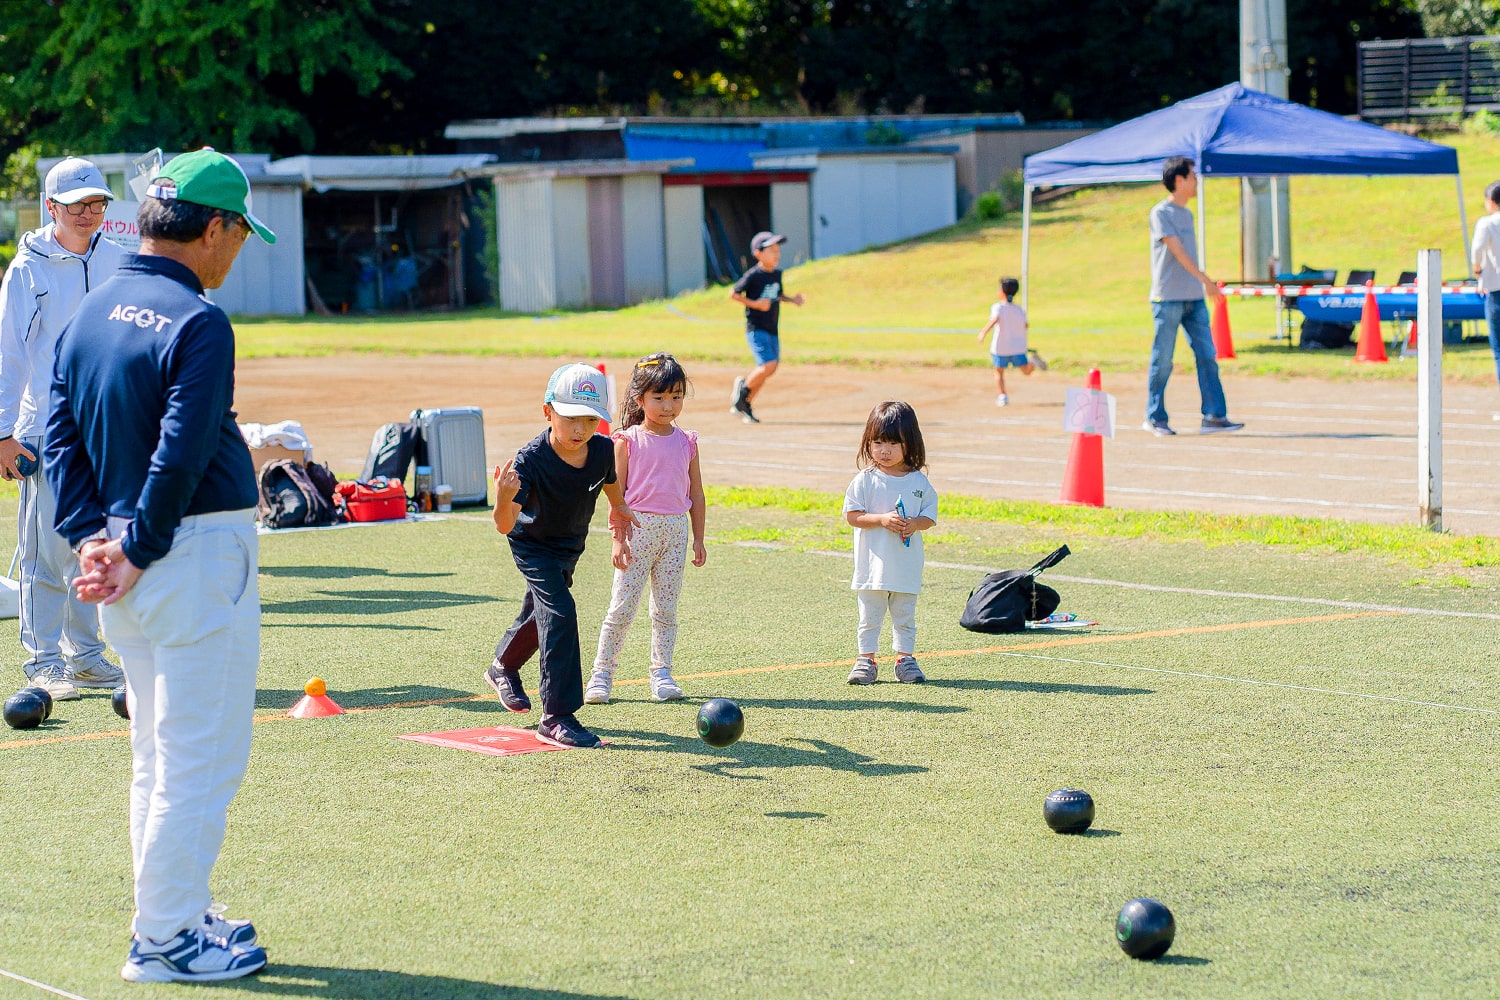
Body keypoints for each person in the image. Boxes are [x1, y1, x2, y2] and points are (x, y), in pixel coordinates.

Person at [46, 148, 274, 982]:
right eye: (241, 233)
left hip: (118, 556)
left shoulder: (94, 307)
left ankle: (171, 909)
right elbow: (180, 452)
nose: (239, 250)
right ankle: (166, 939)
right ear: (212, 227)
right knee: (200, 758)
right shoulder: (200, 320)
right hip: (188, 552)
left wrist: (91, 541)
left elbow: (59, 436)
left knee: (157, 749)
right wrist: (138, 549)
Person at [0, 157, 128, 701]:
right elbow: (8, 354)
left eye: (98, 203)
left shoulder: (121, 261)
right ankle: (44, 660)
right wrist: (3, 433)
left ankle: (88, 655)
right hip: (44, 430)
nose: (90, 213)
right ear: (51, 207)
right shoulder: (26, 270)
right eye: (77, 205)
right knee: (44, 549)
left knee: (91, 544)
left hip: (104, 427)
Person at [485, 363, 638, 748]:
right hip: (533, 545)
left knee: (542, 614)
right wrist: (504, 497)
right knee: (561, 612)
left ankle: (502, 665)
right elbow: (504, 525)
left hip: (570, 546)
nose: (579, 429)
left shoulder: (602, 450)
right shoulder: (529, 462)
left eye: (590, 419)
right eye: (570, 418)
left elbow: (610, 484)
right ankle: (556, 716)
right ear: (547, 411)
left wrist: (619, 512)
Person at [586, 353, 707, 705]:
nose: (669, 405)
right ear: (640, 399)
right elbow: (616, 495)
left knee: (666, 609)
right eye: (660, 397)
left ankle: (661, 672)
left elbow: (696, 493)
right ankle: (602, 673)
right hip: (638, 531)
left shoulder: (687, 441)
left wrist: (699, 537)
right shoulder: (627, 441)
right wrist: (617, 539)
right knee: (622, 607)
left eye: (676, 396)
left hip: (675, 532)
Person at [1145, 157, 1244, 437]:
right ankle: (1155, 417)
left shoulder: (1187, 214)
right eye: (1193, 177)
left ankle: (1213, 415)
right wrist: (1206, 280)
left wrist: (1200, 286)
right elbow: (1177, 252)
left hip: (1193, 299)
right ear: (1179, 180)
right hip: (1167, 299)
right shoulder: (1160, 213)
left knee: (1207, 356)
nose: (1196, 182)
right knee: (1163, 360)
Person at [842, 401, 938, 685]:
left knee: (904, 616)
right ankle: (866, 660)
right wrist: (882, 519)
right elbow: (852, 515)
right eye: (878, 442)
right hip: (872, 567)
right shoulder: (865, 480)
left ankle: (905, 659)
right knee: (869, 617)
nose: (884, 450)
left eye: (893, 443)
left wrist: (914, 524)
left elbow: (929, 516)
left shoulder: (918, 481)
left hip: (905, 566)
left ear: (910, 443)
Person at [729, 231, 804, 424]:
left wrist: (792, 300)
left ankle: (744, 403)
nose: (776, 254)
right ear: (758, 253)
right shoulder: (753, 275)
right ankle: (743, 390)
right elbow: (734, 293)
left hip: (772, 327)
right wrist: (755, 304)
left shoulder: (777, 274)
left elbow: (777, 295)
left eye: (777, 250)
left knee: (771, 368)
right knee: (767, 365)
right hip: (756, 328)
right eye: (771, 250)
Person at [976, 276, 1047, 407]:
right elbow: (1025, 325)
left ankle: (1002, 395)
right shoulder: (1019, 309)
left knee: (998, 371)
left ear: (1002, 291)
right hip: (1018, 347)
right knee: (1026, 371)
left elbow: (994, 320)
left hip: (1001, 347)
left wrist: (983, 332)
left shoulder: (998, 307)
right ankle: (1032, 362)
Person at [1470, 179, 1500, 413]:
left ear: (1491, 202)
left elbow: (1477, 250)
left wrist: (1477, 271)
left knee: (1499, 349)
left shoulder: (1487, 223)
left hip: (1496, 290)